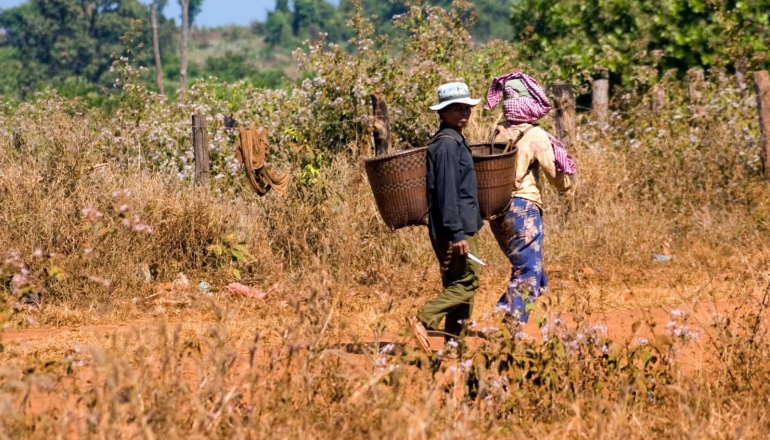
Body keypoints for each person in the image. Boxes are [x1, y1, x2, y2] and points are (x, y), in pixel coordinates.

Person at [484, 72, 577, 326]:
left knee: (528, 267)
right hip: (523, 210)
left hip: (495, 212)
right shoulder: (536, 136)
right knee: (529, 273)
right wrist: (569, 182)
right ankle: (509, 325)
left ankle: (548, 323)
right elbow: (558, 178)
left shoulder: (498, 131)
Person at [408, 82, 484, 353]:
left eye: (466, 107)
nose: (463, 112)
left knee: (458, 285)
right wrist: (457, 234)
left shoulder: (455, 140)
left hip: (463, 226)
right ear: (442, 113)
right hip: (456, 228)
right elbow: (446, 192)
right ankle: (422, 319)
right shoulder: (447, 145)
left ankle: (454, 348)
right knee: (468, 282)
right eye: (456, 108)